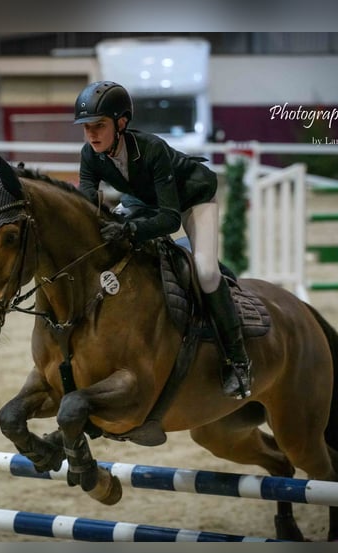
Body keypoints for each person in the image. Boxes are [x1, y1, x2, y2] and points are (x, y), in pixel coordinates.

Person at [74, 80, 252, 399]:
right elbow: (87, 205)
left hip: (190, 199)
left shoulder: (151, 148)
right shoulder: (90, 154)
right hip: (144, 200)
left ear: (121, 123)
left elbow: (170, 219)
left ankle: (237, 360)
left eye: (98, 126)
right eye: (86, 127)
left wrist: (130, 230)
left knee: (207, 273)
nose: (91, 134)